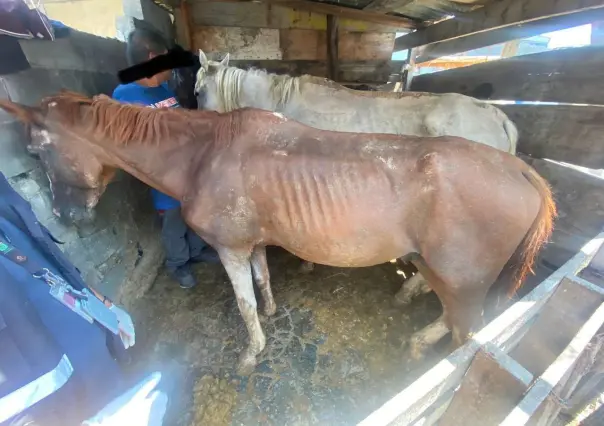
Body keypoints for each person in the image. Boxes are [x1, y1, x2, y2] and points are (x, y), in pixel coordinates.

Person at [0, 172, 166, 426]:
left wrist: (102, 304)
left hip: (98, 367)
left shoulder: (3, 199)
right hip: (58, 403)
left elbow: (48, 264)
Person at [112, 28, 219, 289]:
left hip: (187, 170)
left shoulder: (162, 90)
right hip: (162, 176)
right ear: (152, 58)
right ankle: (178, 263)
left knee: (193, 213)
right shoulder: (123, 97)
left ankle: (196, 251)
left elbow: (181, 118)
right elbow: (128, 144)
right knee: (173, 222)